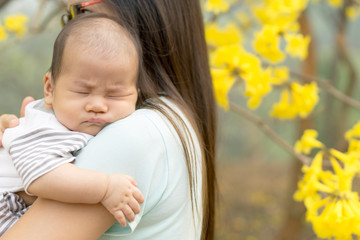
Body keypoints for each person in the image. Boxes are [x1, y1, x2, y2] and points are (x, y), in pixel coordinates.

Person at [0, 0, 217, 239]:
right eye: (69, 16)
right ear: (49, 87)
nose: (98, 106)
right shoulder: (172, 118)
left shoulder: (130, 135)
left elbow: (40, 179)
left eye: (80, 13)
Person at [0, 13, 145, 236]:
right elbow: (42, 178)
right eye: (82, 92)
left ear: (137, 94)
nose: (97, 105)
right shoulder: (43, 127)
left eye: (115, 96)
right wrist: (105, 188)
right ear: (50, 89)